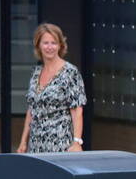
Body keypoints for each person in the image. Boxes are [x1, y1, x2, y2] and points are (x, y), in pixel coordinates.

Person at [17, 23, 87, 154]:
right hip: (36, 146)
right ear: (38, 45)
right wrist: (23, 142)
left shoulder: (70, 72)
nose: (50, 47)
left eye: (54, 43)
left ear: (60, 45)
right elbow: (31, 109)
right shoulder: (36, 72)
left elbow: (77, 110)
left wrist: (77, 142)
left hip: (60, 145)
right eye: (45, 43)